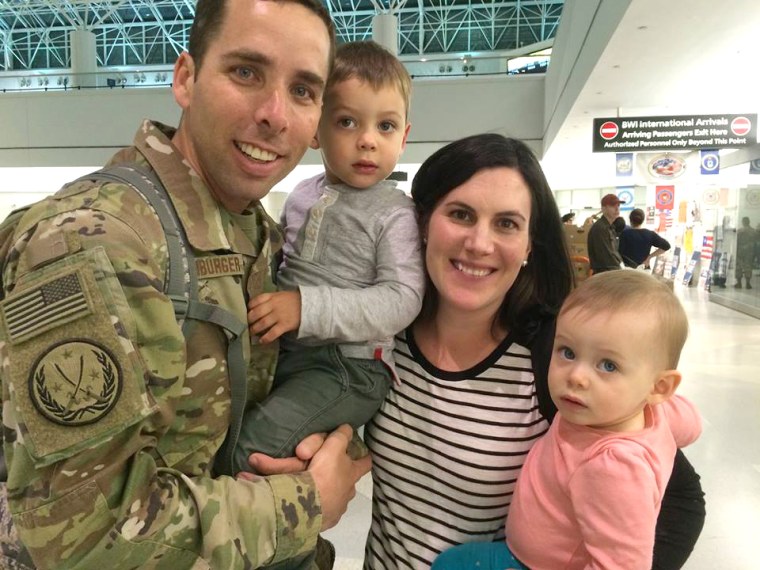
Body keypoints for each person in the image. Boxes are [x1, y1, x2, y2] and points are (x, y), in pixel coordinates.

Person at [0, 1, 371, 568]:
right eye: (246, 72)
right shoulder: (95, 241)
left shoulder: (257, 237)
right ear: (186, 79)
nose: (274, 114)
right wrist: (305, 501)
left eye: (302, 90)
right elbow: (85, 535)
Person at [362, 133, 705, 570]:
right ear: (424, 223)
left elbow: (682, 503)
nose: (479, 243)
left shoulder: (557, 362)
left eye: (506, 223)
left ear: (528, 245)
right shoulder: (381, 333)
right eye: (461, 214)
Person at [226, 40, 424, 476]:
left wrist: (305, 307)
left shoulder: (395, 212)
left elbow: (402, 300)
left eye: (386, 126)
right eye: (348, 121)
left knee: (251, 449)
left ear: (405, 135)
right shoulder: (300, 194)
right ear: (316, 128)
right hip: (289, 355)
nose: (368, 141)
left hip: (349, 368)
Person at [431, 270, 701, 570]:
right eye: (568, 352)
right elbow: (690, 423)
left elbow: (622, 564)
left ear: (658, 387)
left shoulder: (612, 468)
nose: (576, 377)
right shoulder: (653, 411)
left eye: (608, 365)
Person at [587, 193, 624, 273]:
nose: (617, 209)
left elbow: (614, 254)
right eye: (613, 206)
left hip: (611, 273)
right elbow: (608, 260)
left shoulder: (610, 228)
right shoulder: (601, 228)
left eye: (618, 206)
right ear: (603, 209)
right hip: (605, 276)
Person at [735, 216, 756, 288]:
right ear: (749, 222)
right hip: (749, 252)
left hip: (740, 251)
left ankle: (739, 283)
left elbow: (736, 242)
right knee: (748, 267)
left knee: (738, 267)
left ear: (743, 222)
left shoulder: (739, 231)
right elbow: (755, 243)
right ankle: (748, 283)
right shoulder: (753, 231)